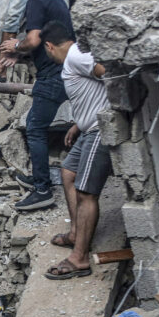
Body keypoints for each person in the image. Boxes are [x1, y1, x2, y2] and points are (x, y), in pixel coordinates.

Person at [0, 0, 73, 211]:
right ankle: (39, 180)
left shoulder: (37, 1)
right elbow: (44, 42)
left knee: (35, 128)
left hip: (54, 76)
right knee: (36, 126)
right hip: (59, 72)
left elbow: (34, 39)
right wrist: (20, 54)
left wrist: (15, 46)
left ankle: (42, 190)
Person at [40, 20, 112, 279]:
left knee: (86, 192)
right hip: (87, 127)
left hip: (99, 130)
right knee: (68, 171)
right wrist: (77, 125)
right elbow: (92, 91)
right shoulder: (75, 56)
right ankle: (74, 235)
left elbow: (106, 72)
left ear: (49, 46)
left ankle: (79, 258)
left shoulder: (76, 57)